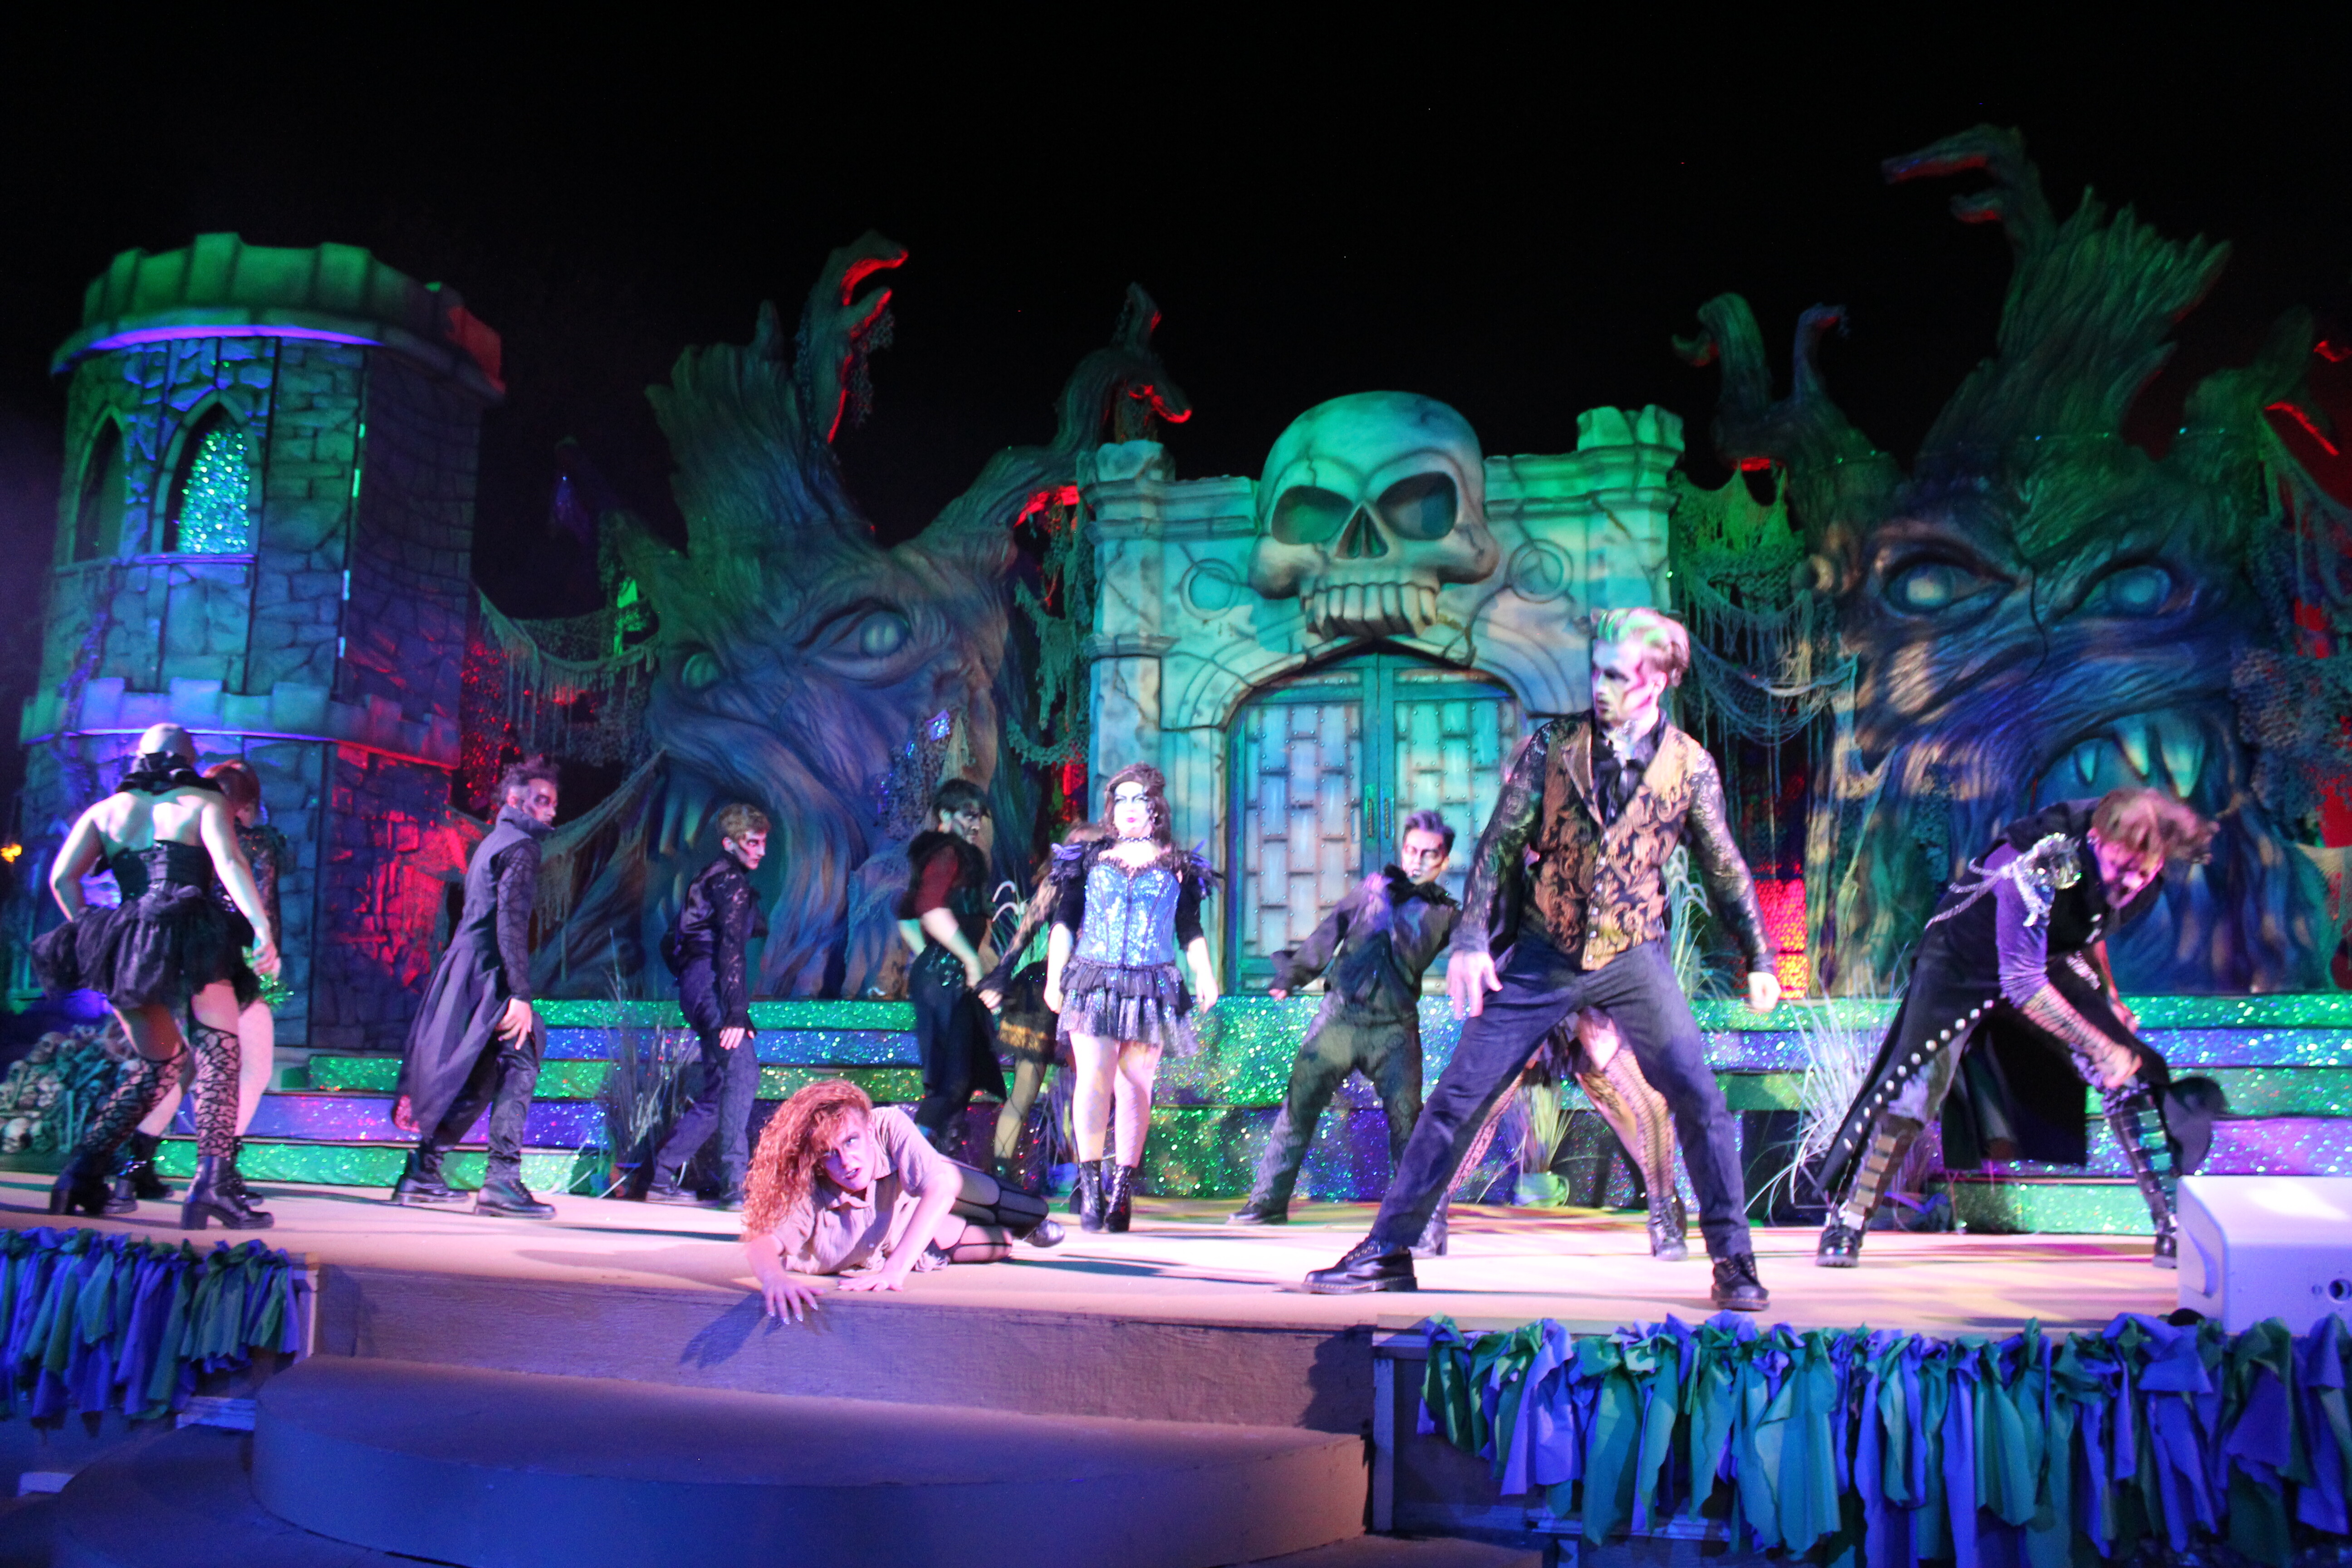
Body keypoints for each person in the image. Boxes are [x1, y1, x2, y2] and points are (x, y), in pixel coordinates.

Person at [1303, 608, 1781, 1307]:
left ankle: (1733, 1258)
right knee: (1459, 1096)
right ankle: (1389, 1249)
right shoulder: (1555, 745)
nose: (1600, 687)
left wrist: (1761, 957)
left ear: (1658, 683)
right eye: (1597, 672)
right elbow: (1499, 843)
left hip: (1632, 952)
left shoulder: (1690, 766)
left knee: (1695, 1093)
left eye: (1616, 676)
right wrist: (1471, 941)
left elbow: (1725, 866)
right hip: (1542, 951)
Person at [1813, 787, 2223, 1269]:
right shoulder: (2041, 860)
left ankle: (2172, 1226)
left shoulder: (2141, 870)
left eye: (2143, 871)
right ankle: (1848, 1219)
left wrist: (2109, 997)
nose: (2131, 881)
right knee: (1914, 1092)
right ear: (2096, 840)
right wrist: (2098, 1046)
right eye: (2121, 867)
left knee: (2132, 1073)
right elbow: (2023, 984)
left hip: (2044, 956)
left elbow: (2090, 922)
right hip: (1963, 961)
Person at [31, 725, 278, 1228]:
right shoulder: (202, 802)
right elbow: (230, 863)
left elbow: (62, 878)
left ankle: (80, 1174)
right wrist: (260, 927)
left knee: (160, 1064)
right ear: (189, 758)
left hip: (128, 941)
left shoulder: (105, 812)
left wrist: (90, 930)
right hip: (193, 935)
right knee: (219, 1052)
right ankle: (212, 1185)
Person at [1227, 810, 1459, 1255]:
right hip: (1339, 1017)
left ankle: (1422, 1226)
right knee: (1299, 1107)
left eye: (1429, 854)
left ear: (1444, 860)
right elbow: (1329, 930)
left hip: (1394, 1027)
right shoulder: (1372, 889)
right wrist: (1293, 975)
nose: (1416, 860)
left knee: (1409, 1124)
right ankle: (1267, 1203)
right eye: (1411, 850)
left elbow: (1480, 947)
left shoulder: (1446, 913)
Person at [1044, 764, 1219, 1233]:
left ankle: (1121, 1191)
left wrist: (1204, 972)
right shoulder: (1089, 859)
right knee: (1094, 1079)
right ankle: (1090, 1188)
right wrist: (1054, 975)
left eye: (1137, 799)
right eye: (1119, 800)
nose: (1128, 808)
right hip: (1094, 981)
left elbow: (1189, 928)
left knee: (1136, 1085)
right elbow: (1064, 921)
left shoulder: (1177, 866)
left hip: (1150, 986)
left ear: (1155, 807)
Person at [109, 759, 288, 1215]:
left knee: (179, 1067)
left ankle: (132, 1171)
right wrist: (265, 946)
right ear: (246, 805)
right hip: (229, 962)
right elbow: (260, 901)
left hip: (177, 959)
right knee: (252, 1068)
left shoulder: (181, 837)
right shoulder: (251, 842)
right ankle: (218, 1173)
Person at [390, 755, 560, 1219]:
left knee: (485, 1071)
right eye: (542, 801)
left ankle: (423, 1170)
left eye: (552, 803)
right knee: (524, 1047)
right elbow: (509, 923)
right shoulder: (521, 847)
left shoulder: (494, 841)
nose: (551, 811)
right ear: (516, 802)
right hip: (487, 969)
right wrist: (520, 994)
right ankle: (501, 1181)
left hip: (468, 966)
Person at [745, 1079, 1058, 1323]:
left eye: (851, 1141)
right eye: (829, 1153)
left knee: (1021, 1207)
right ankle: (1008, 1230)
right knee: (1000, 1244)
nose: (847, 1161)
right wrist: (774, 1279)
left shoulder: (887, 1125)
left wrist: (895, 1271)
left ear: (868, 1129)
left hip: (924, 1192)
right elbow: (762, 1240)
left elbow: (939, 1188)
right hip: (900, 1228)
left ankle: (1030, 1225)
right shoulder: (808, 1184)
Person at [1444, 1009, 1689, 1259]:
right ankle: (1433, 1206)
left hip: (1585, 998)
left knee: (1607, 1089)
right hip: (1530, 997)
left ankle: (1665, 1202)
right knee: (1495, 1090)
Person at [644, 802, 771, 1210]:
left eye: (763, 843)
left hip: (699, 986)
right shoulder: (730, 881)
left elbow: (671, 940)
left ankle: (661, 1174)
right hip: (714, 985)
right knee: (743, 1074)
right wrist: (734, 1012)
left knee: (721, 1089)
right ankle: (735, 1185)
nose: (761, 851)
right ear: (730, 843)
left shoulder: (708, 877)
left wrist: (691, 978)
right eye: (753, 843)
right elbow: (731, 949)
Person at [977, 823, 1106, 1191]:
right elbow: (1027, 928)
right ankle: (1000, 1177)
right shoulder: (1058, 882)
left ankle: (1088, 1182)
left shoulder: (1108, 884)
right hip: (1045, 990)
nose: (1083, 854)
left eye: (1091, 847)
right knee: (1026, 1089)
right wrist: (1002, 973)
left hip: (1089, 990)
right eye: (1077, 847)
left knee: (1089, 1089)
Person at [898, 780, 1010, 1150]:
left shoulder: (944, 855)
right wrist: (967, 960)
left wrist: (927, 957)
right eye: (968, 815)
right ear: (946, 814)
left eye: (980, 817)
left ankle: (939, 1154)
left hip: (942, 974)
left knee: (962, 1074)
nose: (976, 824)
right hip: (948, 977)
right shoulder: (948, 853)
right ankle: (915, 1156)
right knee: (953, 1078)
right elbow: (928, 909)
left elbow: (906, 913)